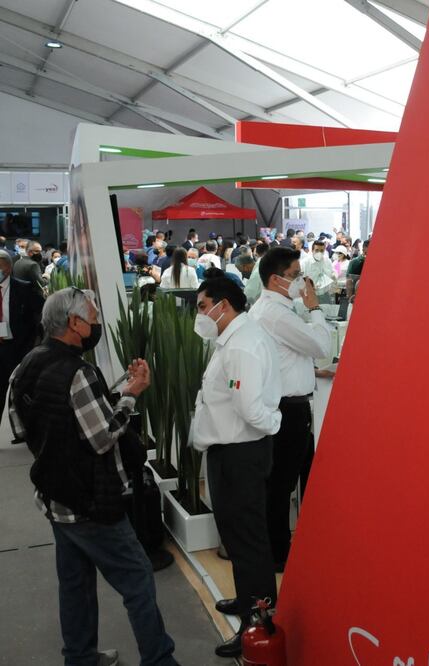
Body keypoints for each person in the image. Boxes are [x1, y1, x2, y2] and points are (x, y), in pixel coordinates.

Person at [9, 287, 178, 666]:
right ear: (74, 323)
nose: (97, 323)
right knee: (137, 579)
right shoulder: (79, 372)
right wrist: (131, 394)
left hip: (56, 499)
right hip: (92, 501)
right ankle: (159, 660)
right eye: (94, 317)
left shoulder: (27, 364)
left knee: (75, 584)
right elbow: (102, 437)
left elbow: (19, 424)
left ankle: (81, 657)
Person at [191, 278, 281, 658]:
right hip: (228, 452)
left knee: (248, 542)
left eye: (201, 305)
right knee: (237, 536)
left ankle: (257, 621)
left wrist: (273, 423)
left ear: (222, 305)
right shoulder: (229, 339)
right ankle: (246, 601)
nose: (199, 314)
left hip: (241, 454)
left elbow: (251, 409)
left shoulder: (242, 345)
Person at [249, 247, 330, 571]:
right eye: (296, 276)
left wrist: (309, 369)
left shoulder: (268, 310)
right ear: (275, 279)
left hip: (282, 403)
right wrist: (316, 309)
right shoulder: (278, 314)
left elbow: (285, 356)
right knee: (281, 486)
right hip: (289, 409)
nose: (302, 282)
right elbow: (323, 346)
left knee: (281, 483)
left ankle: (281, 549)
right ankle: (280, 554)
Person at [0, 250, 43, 415]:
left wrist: (33, 343)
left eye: (1, 268)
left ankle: (23, 426)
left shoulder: (23, 288)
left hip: (17, 349)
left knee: (20, 391)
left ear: (9, 269)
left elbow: (41, 311)